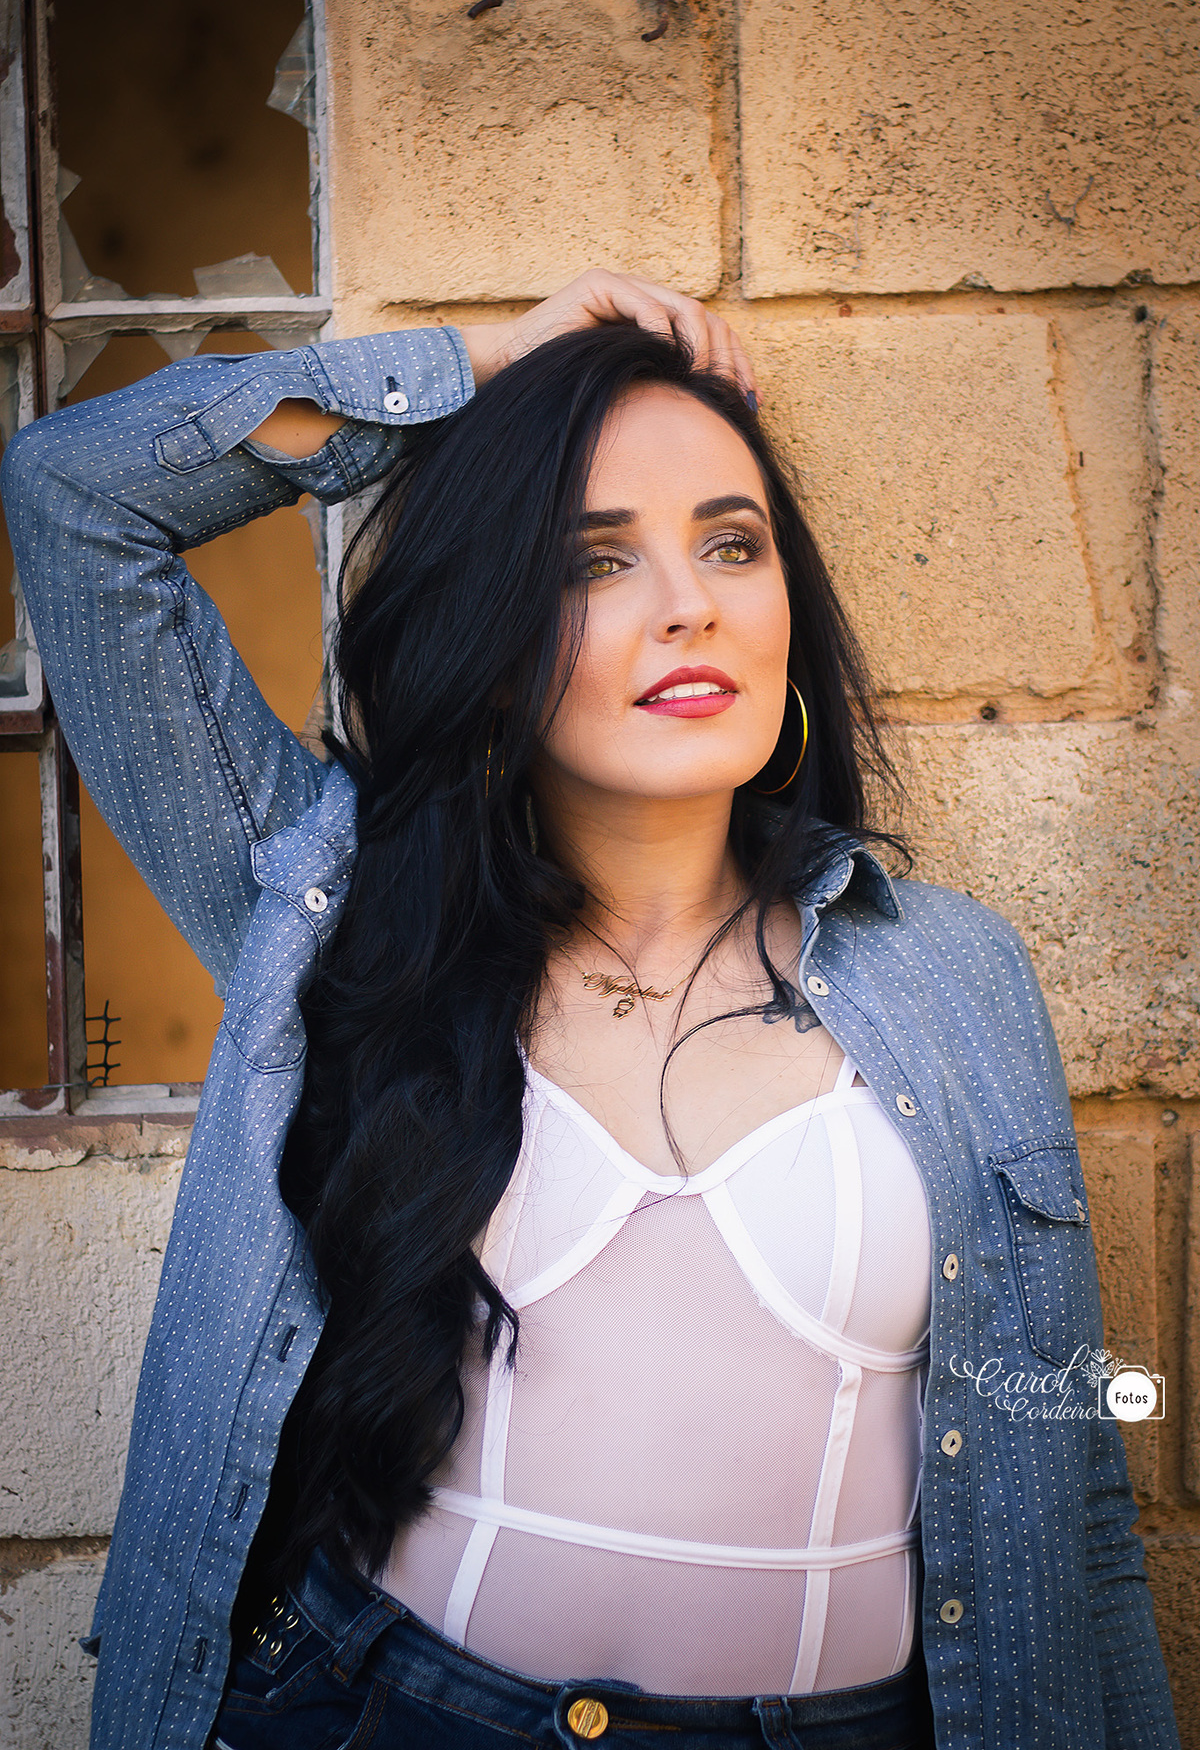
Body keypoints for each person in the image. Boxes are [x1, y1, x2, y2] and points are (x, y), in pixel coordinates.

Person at [2, 271, 1178, 1750]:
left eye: (732, 544)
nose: (691, 605)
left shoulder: (956, 975)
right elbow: (76, 494)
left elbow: (1071, 1498)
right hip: (385, 1710)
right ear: (493, 644)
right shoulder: (341, 919)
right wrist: (477, 364)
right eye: (593, 562)